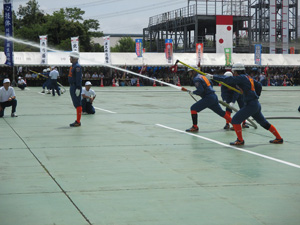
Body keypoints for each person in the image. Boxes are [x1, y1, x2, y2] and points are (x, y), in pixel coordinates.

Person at [206, 62, 283, 145]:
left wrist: (212, 77)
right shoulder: (248, 77)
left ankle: (240, 140)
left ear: (237, 71)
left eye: (234, 72)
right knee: (263, 123)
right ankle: (279, 138)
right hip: (255, 104)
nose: (233, 74)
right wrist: (256, 95)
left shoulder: (242, 78)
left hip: (250, 105)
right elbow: (259, 85)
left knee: (235, 120)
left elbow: (228, 79)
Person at [68, 51, 82, 127]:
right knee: (75, 103)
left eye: (71, 57)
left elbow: (78, 79)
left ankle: (78, 121)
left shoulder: (77, 67)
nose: (70, 59)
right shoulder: (73, 66)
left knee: (78, 103)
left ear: (75, 58)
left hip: (75, 86)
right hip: (72, 86)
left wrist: (78, 88)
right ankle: (77, 120)